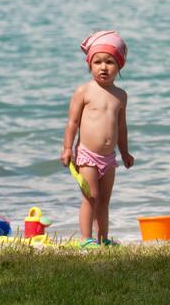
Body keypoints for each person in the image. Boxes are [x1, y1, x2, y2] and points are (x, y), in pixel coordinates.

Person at [60, 30, 134, 247]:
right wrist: (67, 148)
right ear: (89, 65)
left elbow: (121, 127)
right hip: (87, 155)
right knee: (90, 196)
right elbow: (72, 123)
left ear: (119, 66)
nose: (103, 67)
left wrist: (125, 152)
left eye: (110, 62)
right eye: (98, 62)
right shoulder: (85, 91)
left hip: (109, 158)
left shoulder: (121, 96)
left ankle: (103, 239)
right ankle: (85, 239)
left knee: (104, 200)